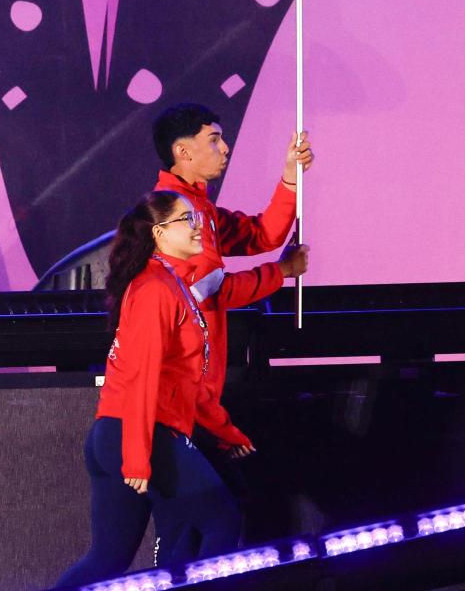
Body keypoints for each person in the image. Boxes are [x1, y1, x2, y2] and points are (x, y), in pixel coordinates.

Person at [55, 190, 308, 587]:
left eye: (197, 219)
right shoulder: (154, 289)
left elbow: (182, 383)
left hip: (120, 435)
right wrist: (137, 456)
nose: (198, 227)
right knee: (220, 521)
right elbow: (142, 376)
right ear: (158, 232)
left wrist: (225, 432)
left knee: (107, 559)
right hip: (137, 434)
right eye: (186, 220)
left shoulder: (173, 284)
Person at [152, 103, 314, 457]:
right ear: (183, 151)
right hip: (183, 398)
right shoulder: (174, 216)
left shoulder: (199, 208)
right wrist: (283, 271)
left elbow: (261, 235)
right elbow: (215, 291)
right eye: (214, 139)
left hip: (198, 395)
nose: (225, 148)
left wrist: (290, 177)